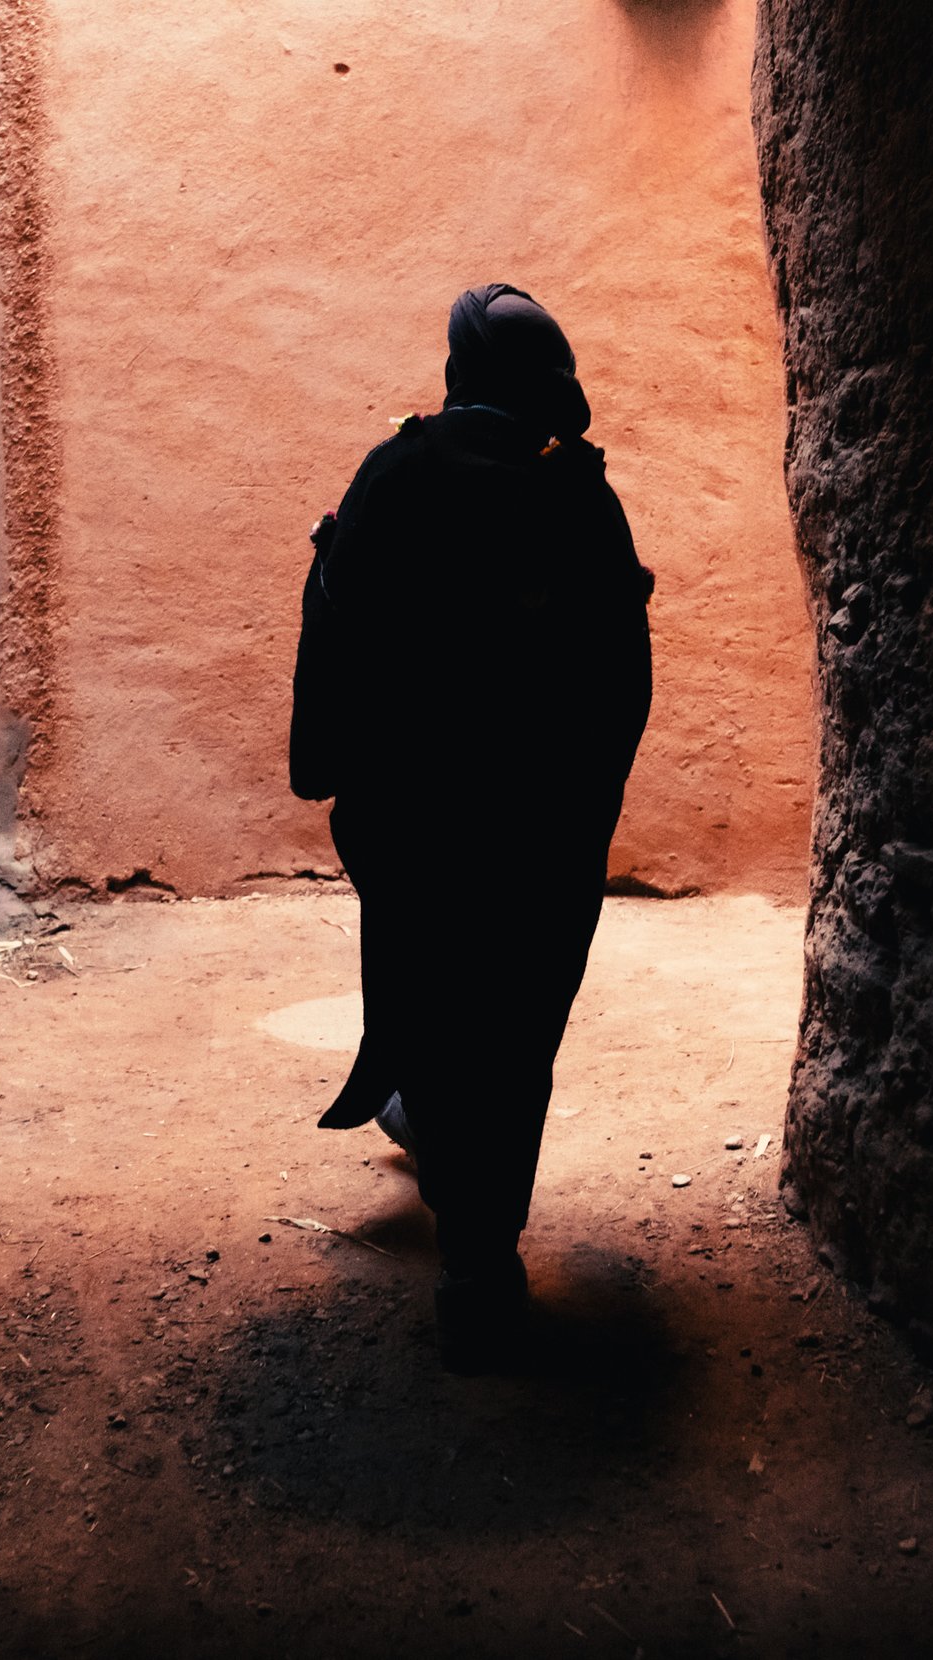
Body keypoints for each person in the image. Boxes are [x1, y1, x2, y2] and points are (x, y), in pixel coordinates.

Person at [289, 282, 653, 1371]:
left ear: (458, 370)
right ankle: (478, 1249)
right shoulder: (582, 495)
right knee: (517, 1028)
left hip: (417, 820)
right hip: (545, 829)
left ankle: (461, 1227)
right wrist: (585, 809)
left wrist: (348, 784)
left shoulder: (396, 469)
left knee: (434, 997)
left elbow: (338, 615)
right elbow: (623, 679)